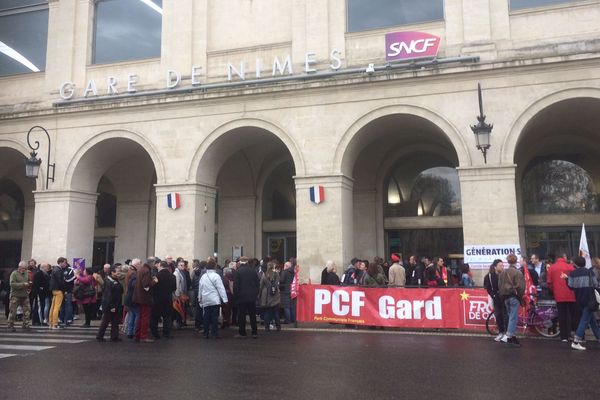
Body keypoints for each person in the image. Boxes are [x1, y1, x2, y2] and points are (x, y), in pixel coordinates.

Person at [566, 256, 600, 350]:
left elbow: (570, 287)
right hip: (590, 299)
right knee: (585, 320)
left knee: (591, 320)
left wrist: (566, 279)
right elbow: (595, 284)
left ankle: (599, 337)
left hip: (579, 299)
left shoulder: (572, 273)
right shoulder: (589, 272)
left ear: (575, 264)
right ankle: (576, 341)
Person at [547, 253, 577, 342]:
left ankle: (564, 336)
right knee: (574, 315)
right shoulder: (570, 267)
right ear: (564, 258)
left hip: (559, 295)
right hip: (572, 295)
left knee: (562, 316)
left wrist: (554, 291)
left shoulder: (552, 267)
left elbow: (549, 283)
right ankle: (577, 335)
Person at [498, 254, 525, 347]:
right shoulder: (518, 273)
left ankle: (512, 336)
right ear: (516, 261)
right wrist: (520, 296)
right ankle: (509, 336)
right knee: (513, 317)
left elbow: (499, 286)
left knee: (510, 317)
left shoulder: (503, 273)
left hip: (505, 297)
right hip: (514, 297)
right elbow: (521, 287)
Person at [198, 259, 228, 339]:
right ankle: (215, 333)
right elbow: (221, 288)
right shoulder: (216, 276)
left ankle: (206, 333)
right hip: (214, 299)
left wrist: (199, 298)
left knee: (206, 316)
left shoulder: (203, 277)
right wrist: (225, 299)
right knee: (215, 317)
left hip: (205, 299)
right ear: (214, 267)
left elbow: (200, 288)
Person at [96, 265, 124, 342]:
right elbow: (108, 295)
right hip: (110, 305)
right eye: (118, 272)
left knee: (115, 321)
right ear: (112, 272)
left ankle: (114, 336)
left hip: (116, 304)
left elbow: (121, 290)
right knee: (106, 321)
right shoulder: (109, 281)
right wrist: (112, 306)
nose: (119, 273)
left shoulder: (115, 279)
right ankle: (100, 336)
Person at [234, 256, 260, 338]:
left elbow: (236, 286)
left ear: (240, 262)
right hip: (252, 296)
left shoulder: (238, 271)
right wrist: (256, 293)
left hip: (241, 297)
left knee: (242, 315)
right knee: (252, 315)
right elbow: (257, 283)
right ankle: (254, 332)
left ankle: (242, 333)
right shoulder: (253, 271)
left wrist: (236, 296)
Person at [151, 261, 176, 340]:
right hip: (168, 299)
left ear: (160, 266)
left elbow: (153, 287)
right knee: (167, 317)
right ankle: (166, 333)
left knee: (155, 317)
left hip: (157, 299)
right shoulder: (172, 276)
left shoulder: (156, 276)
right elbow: (174, 288)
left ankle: (155, 334)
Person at [133, 261, 157, 343]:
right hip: (145, 298)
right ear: (151, 264)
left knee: (140, 317)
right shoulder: (147, 271)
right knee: (145, 318)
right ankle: (143, 336)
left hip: (139, 297)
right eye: (154, 263)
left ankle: (137, 335)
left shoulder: (141, 270)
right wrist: (154, 281)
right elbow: (146, 285)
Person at [484, 259, 506, 342]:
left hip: (505, 298)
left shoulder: (504, 274)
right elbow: (488, 288)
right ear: (495, 267)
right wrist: (493, 295)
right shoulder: (489, 276)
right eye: (500, 265)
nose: (502, 267)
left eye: (503, 265)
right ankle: (501, 332)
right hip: (496, 299)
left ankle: (506, 333)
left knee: (505, 316)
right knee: (499, 316)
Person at [7, 261, 32, 332]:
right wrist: (22, 284)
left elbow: (29, 280)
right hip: (15, 295)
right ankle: (10, 325)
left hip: (25, 295)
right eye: (23, 268)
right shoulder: (14, 274)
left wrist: (30, 283)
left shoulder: (26, 273)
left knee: (27, 310)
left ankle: (26, 324)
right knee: (13, 311)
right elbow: (12, 284)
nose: (24, 270)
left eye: (25, 268)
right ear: (19, 267)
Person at [259, 261, 281, 331]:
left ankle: (267, 327)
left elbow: (261, 285)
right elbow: (277, 283)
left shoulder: (264, 274)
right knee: (276, 312)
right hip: (275, 294)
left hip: (267, 295)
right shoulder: (276, 274)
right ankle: (278, 327)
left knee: (267, 312)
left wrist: (259, 294)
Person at [49, 257, 67, 329]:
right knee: (57, 307)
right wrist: (64, 290)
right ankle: (55, 324)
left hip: (54, 290)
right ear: (61, 262)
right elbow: (61, 282)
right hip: (59, 290)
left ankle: (51, 323)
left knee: (52, 307)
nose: (65, 264)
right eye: (64, 262)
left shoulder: (54, 269)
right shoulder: (59, 270)